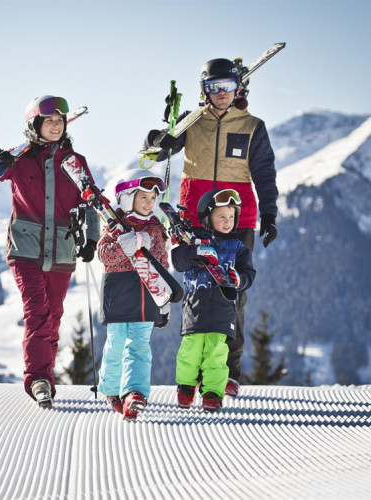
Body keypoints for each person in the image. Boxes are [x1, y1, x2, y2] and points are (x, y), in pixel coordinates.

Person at [143, 57, 278, 397]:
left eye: (228, 87)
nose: (221, 94)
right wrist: (160, 135)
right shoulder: (192, 121)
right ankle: (195, 371)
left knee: (233, 295)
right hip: (194, 219)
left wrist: (270, 214)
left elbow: (264, 173)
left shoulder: (252, 126)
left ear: (239, 89)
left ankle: (227, 373)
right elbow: (157, 152)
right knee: (196, 292)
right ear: (204, 90)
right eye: (213, 87)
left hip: (236, 219)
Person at [0, 95, 100, 408]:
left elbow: (90, 202)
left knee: (54, 316)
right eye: (49, 121)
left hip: (62, 249)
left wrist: (91, 239)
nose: (56, 126)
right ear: (35, 124)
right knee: (38, 312)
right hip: (25, 248)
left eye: (60, 121)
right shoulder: (19, 160)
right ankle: (37, 380)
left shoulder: (75, 162)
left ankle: (45, 376)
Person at [171, 189, 256, 412]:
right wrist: (195, 251)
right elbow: (177, 261)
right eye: (221, 217)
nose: (227, 222)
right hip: (194, 309)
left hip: (223, 309)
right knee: (190, 350)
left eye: (231, 217)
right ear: (208, 217)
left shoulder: (238, 248)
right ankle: (186, 386)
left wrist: (239, 280)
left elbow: (249, 274)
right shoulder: (195, 241)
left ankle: (212, 392)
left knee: (217, 353)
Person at [97, 169, 170, 420]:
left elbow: (163, 264)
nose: (149, 203)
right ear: (127, 198)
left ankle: (135, 393)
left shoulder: (156, 229)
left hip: (147, 297)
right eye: (143, 198)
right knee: (116, 343)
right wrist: (124, 245)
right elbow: (105, 256)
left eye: (152, 199)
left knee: (139, 346)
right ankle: (112, 390)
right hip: (118, 294)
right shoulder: (113, 225)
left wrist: (165, 300)